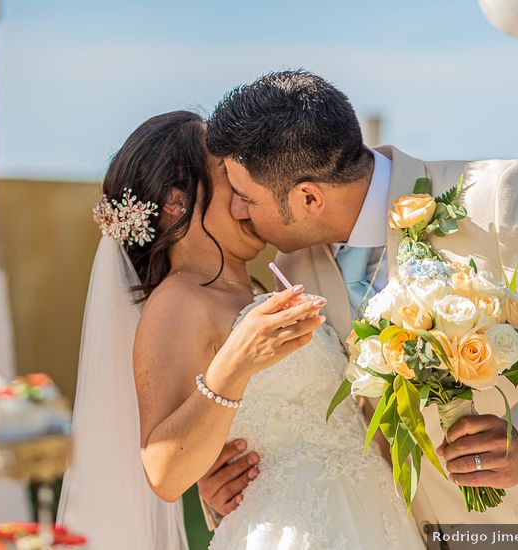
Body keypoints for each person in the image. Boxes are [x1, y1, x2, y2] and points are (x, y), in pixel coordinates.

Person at [199, 69, 518, 530]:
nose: (237, 210)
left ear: (309, 197)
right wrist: (231, 490)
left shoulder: (500, 197)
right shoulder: (292, 274)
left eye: (246, 197)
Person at [58, 110, 424, 549]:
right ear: (178, 201)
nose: (250, 188)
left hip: (373, 517)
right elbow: (164, 471)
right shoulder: (178, 303)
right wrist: (237, 362)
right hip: (292, 533)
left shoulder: (266, 282)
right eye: (231, 176)